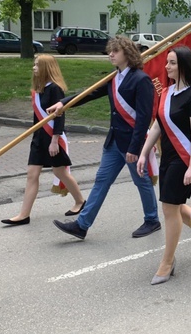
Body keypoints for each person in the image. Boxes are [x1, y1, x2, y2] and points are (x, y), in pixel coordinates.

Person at [49, 36, 160, 240]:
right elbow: (89, 94)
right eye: (110, 50)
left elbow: (144, 118)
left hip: (131, 144)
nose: (111, 54)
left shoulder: (140, 79)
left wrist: (135, 149)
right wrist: (63, 103)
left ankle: (152, 220)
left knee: (141, 181)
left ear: (127, 54)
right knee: (101, 181)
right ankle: (82, 225)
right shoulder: (113, 78)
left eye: (115, 51)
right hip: (114, 142)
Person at [137, 46, 191, 285]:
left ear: (183, 65)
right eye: (167, 62)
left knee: (168, 208)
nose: (166, 67)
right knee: (172, 205)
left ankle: (167, 261)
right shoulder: (166, 93)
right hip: (168, 157)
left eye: (172, 63)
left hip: (185, 159)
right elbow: (157, 127)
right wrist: (144, 153)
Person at [1, 55, 86, 226]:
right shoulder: (38, 90)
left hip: (53, 137)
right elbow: (37, 118)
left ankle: (80, 201)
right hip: (39, 138)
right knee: (32, 175)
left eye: (37, 65)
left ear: (47, 68)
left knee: (60, 172)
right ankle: (24, 215)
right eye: (34, 64)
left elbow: (59, 117)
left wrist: (55, 140)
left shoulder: (55, 89)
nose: (33, 68)